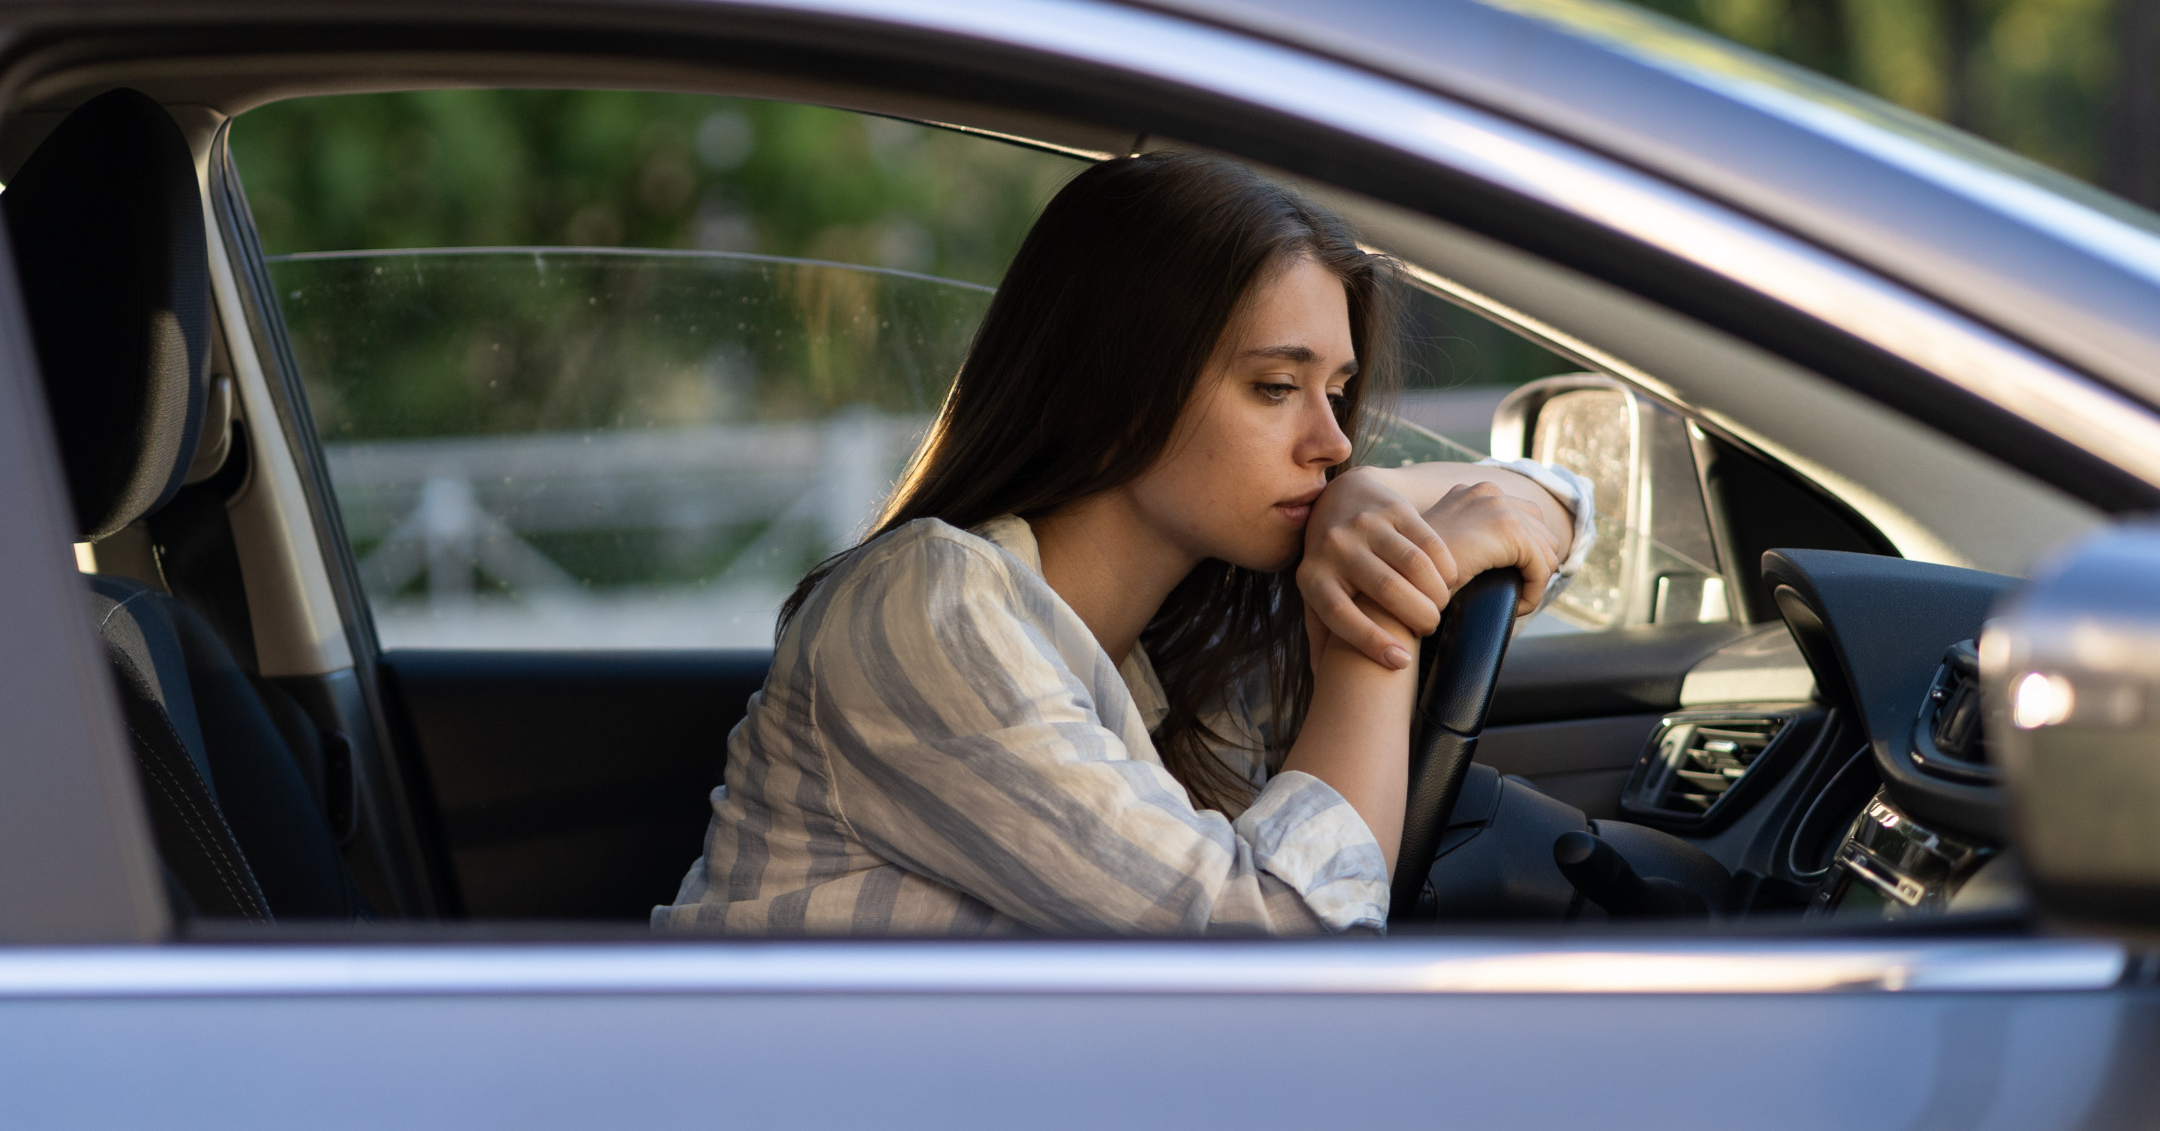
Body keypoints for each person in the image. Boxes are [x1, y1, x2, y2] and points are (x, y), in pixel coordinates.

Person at [655, 153, 1591, 936]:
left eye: (1337, 394)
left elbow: (1553, 500)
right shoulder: (930, 606)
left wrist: (1373, 497)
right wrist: (1385, 606)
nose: (1332, 442)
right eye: (1275, 388)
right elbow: (1286, 954)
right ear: (1119, 387)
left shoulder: (1191, 634)